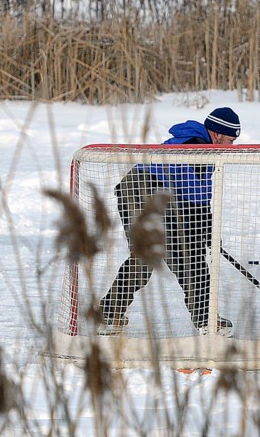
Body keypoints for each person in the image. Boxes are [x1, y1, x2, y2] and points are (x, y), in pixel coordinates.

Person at [98, 107, 241, 335]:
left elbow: (199, 197)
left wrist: (208, 229)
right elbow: (194, 201)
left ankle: (205, 319)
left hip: (165, 197)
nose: (231, 147)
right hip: (140, 190)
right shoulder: (195, 148)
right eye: (229, 140)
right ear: (215, 134)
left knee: (189, 255)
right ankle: (109, 315)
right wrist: (204, 228)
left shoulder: (206, 150)